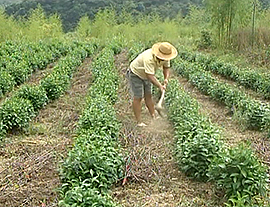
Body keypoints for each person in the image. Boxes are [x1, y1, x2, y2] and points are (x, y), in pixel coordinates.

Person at [127, 42, 178, 127]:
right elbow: (150, 76)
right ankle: (139, 122)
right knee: (138, 97)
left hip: (147, 75)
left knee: (148, 95)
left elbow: (166, 68)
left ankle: (154, 116)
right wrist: (160, 86)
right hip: (136, 73)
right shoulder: (149, 58)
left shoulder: (165, 57)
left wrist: (166, 79)